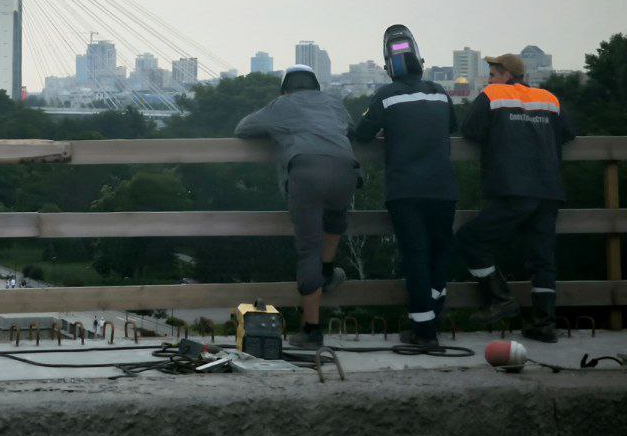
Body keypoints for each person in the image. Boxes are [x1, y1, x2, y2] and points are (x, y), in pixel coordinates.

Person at [235, 64, 359, 349]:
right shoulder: (334, 104)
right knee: (336, 219)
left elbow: (242, 129)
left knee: (307, 250)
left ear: (286, 89)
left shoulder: (282, 104)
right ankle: (328, 271)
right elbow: (354, 130)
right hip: (347, 171)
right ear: (316, 86)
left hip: (305, 174)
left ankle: (312, 330)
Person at [455, 53, 575, 342]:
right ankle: (544, 324)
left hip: (512, 189)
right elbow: (568, 134)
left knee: (471, 239)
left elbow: (470, 130)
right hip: (547, 190)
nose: (489, 79)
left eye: (493, 73)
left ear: (507, 75)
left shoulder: (494, 95)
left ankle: (499, 298)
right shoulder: (549, 98)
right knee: (542, 259)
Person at [353, 25, 458, 348]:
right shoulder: (440, 92)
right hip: (443, 188)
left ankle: (423, 330)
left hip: (406, 190)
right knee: (439, 253)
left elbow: (363, 134)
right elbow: (452, 127)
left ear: (389, 68)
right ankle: (433, 311)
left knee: (415, 256)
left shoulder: (386, 96)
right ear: (420, 61)